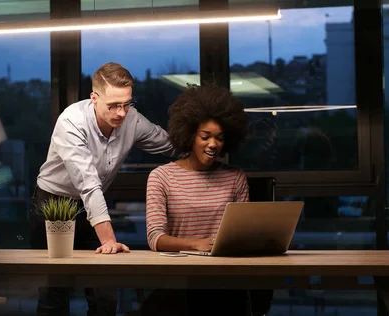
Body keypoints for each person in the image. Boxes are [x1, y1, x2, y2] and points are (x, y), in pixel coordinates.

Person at [31, 62, 179, 316]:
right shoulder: (71, 122)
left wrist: (204, 143)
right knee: (54, 295)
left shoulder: (131, 119)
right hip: (52, 205)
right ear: (94, 99)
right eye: (113, 106)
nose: (122, 113)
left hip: (91, 208)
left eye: (127, 104)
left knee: (105, 297)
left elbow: (169, 144)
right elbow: (88, 185)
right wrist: (110, 240)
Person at [141, 84, 252, 315]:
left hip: (225, 282)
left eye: (220, 138)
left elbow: (243, 235)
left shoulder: (235, 178)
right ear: (190, 135)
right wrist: (196, 244)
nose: (213, 144)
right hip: (177, 282)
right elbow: (155, 237)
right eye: (205, 136)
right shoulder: (162, 177)